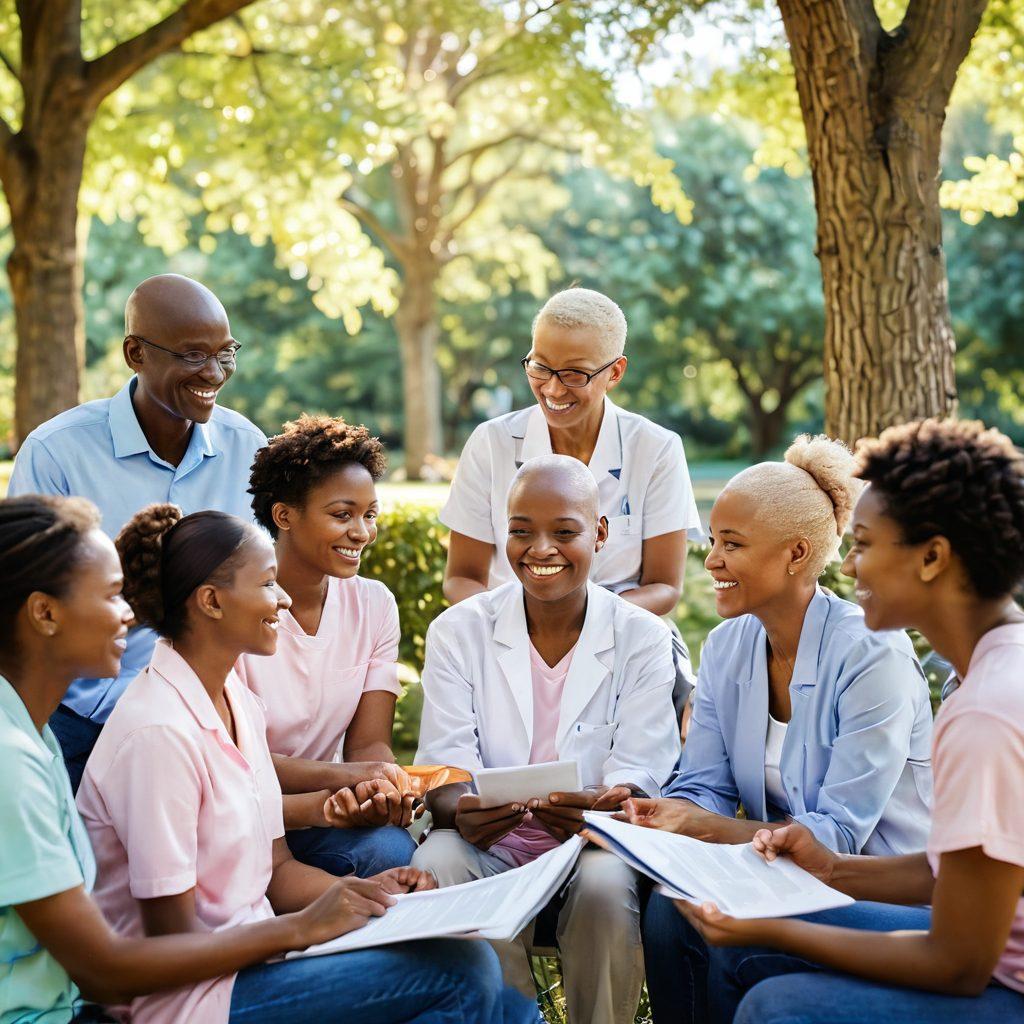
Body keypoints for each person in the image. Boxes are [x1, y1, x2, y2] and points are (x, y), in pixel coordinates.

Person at [0, 494, 532, 1024]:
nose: (283, 600)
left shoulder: (231, 698)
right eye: (112, 596)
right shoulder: (154, 734)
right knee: (460, 975)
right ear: (211, 601)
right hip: (188, 998)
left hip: (248, 962)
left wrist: (368, 898)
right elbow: (152, 954)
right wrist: (300, 928)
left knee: (497, 994)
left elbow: (274, 870)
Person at [674, 418, 1024, 1024]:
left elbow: (959, 964)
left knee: (774, 1004)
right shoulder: (987, 676)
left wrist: (777, 927)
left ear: (932, 557)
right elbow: (953, 871)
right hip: (983, 958)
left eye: (863, 545)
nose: (851, 567)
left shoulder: (988, 713)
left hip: (997, 981)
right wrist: (828, 866)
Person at [637, 435, 934, 1024]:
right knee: (669, 908)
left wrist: (708, 828)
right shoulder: (726, 647)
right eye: (713, 541)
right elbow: (703, 786)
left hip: (876, 884)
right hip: (777, 866)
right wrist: (658, 814)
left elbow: (838, 837)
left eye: (732, 544)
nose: (711, 560)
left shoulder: (872, 654)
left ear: (796, 554)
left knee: (741, 937)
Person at [414, 455, 681, 1024]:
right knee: (437, 856)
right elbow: (445, 763)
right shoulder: (459, 631)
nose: (540, 550)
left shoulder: (641, 637)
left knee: (607, 884)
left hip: (593, 844)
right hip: (490, 843)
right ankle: (507, 1015)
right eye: (520, 531)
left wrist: (600, 809)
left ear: (600, 533)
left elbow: (642, 767)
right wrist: (460, 807)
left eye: (565, 532)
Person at [7, 274, 267, 790]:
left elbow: (266, 585)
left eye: (225, 353)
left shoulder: (248, 448)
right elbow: (24, 605)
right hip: (83, 719)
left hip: (216, 715)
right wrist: (120, 707)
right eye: (193, 355)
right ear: (135, 354)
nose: (214, 373)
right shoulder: (58, 452)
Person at [440, 287, 703, 713]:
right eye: (540, 367)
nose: (552, 388)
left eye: (574, 374)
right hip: (504, 640)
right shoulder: (492, 443)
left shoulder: (655, 449)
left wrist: (577, 625)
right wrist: (524, 630)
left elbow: (664, 587)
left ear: (615, 373)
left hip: (621, 640)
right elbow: (461, 578)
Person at [240, 414, 417, 877]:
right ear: (284, 516)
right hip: (240, 808)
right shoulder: (237, 606)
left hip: (328, 813)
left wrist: (382, 788)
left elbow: (370, 744)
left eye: (369, 514)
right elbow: (234, 761)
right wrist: (345, 780)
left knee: (392, 849)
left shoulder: (374, 604)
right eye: (342, 515)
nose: (361, 532)